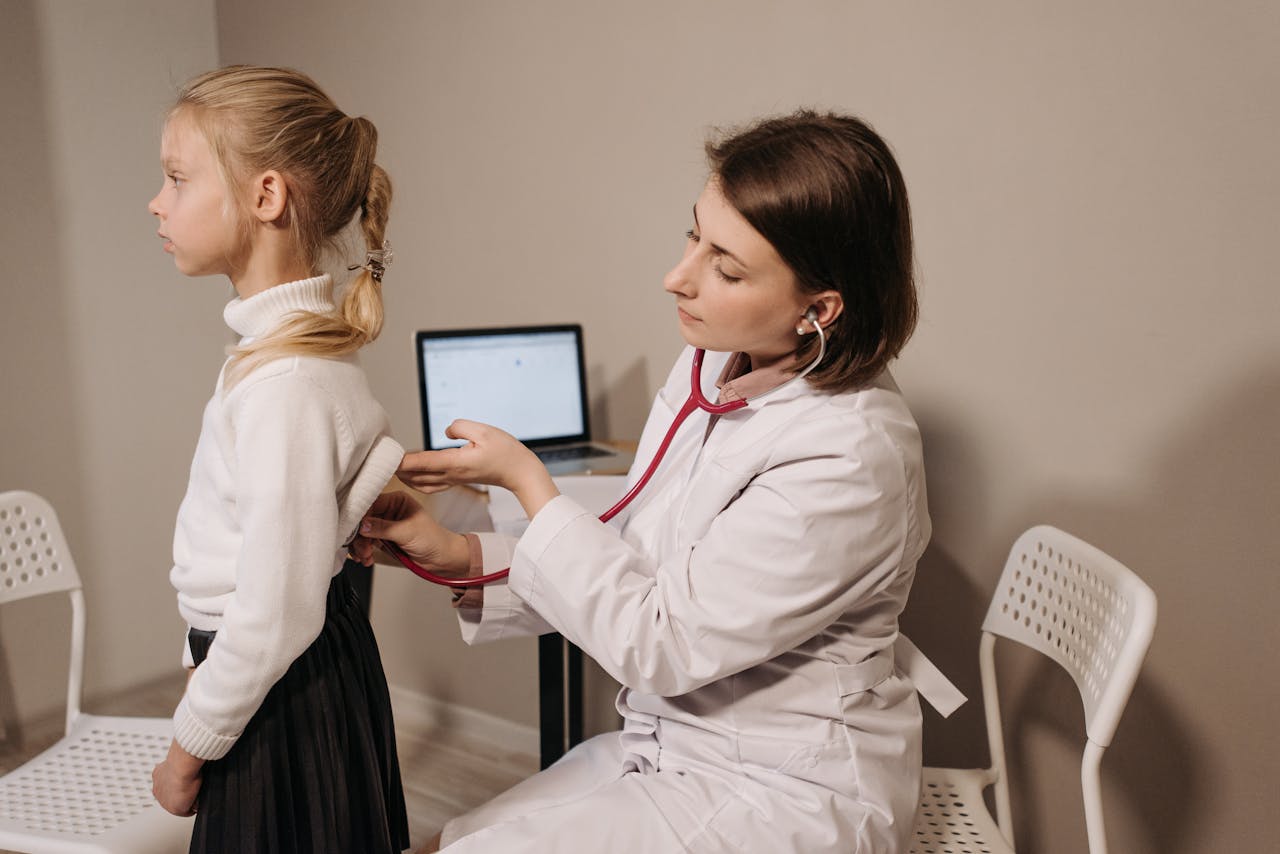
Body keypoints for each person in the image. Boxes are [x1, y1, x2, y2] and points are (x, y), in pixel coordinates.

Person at [357, 110, 954, 853]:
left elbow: (660, 641)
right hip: (676, 745)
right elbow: (643, 542)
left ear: (819, 309)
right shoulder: (718, 359)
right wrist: (461, 554)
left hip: (784, 788)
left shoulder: (854, 458)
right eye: (694, 236)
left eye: (727, 269)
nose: (678, 278)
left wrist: (531, 485)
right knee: (452, 839)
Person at [147, 65, 411, 853]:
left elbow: (272, 616)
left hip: (286, 709)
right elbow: (234, 558)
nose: (158, 202)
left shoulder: (285, 385)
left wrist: (185, 750)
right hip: (286, 682)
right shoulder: (276, 360)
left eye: (176, 178)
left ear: (265, 197)